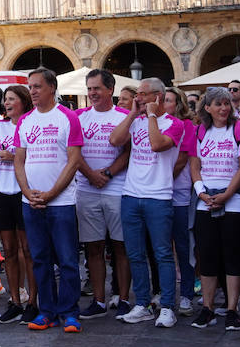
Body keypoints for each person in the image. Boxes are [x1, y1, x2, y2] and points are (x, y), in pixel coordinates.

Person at [111, 77, 185, 327]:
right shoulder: (137, 120)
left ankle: (166, 307)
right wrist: (133, 115)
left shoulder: (174, 124)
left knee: (163, 254)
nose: (137, 98)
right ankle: (142, 303)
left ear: (158, 96)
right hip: (131, 195)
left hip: (159, 197)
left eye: (142, 94)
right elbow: (115, 140)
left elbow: (157, 145)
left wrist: (152, 116)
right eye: (137, 94)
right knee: (135, 254)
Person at [15, 68, 84, 333]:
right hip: (31, 202)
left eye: (37, 86)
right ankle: (47, 311)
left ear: (52, 88)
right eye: (30, 86)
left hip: (61, 202)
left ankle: (69, 312)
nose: (32, 91)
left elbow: (74, 160)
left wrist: (52, 193)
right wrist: (27, 191)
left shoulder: (68, 117)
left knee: (67, 259)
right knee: (39, 258)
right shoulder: (25, 121)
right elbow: (19, 161)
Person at [189, 87, 240, 330]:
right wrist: (202, 193)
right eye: (218, 104)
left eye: (226, 103)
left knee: (234, 254)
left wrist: (227, 194)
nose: (224, 108)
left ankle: (232, 309)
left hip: (234, 200)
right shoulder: (200, 131)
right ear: (208, 108)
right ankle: (208, 307)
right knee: (208, 255)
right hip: (206, 200)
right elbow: (195, 166)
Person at [74, 69, 131, 320]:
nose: (92, 93)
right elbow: (73, 153)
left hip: (117, 188)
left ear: (110, 89)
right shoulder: (78, 117)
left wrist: (106, 173)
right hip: (86, 189)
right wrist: (90, 175)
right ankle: (98, 300)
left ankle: (125, 299)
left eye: (96, 88)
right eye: (89, 89)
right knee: (93, 248)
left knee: (121, 247)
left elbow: (129, 152)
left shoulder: (125, 116)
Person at [0, 84, 36, 324]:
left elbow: (36, 157)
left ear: (23, 101)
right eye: (5, 99)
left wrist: (14, 156)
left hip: (23, 191)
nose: (6, 103)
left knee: (29, 250)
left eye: (12, 99)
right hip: (1, 191)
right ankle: (15, 300)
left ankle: (33, 301)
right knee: (9, 250)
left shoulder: (31, 124)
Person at [163, 87, 198, 315]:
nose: (164, 103)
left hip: (179, 194)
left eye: (168, 100)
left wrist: (161, 181)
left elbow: (182, 160)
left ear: (178, 104)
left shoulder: (187, 126)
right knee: (162, 248)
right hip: (158, 195)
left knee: (184, 247)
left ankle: (186, 295)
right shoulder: (154, 123)